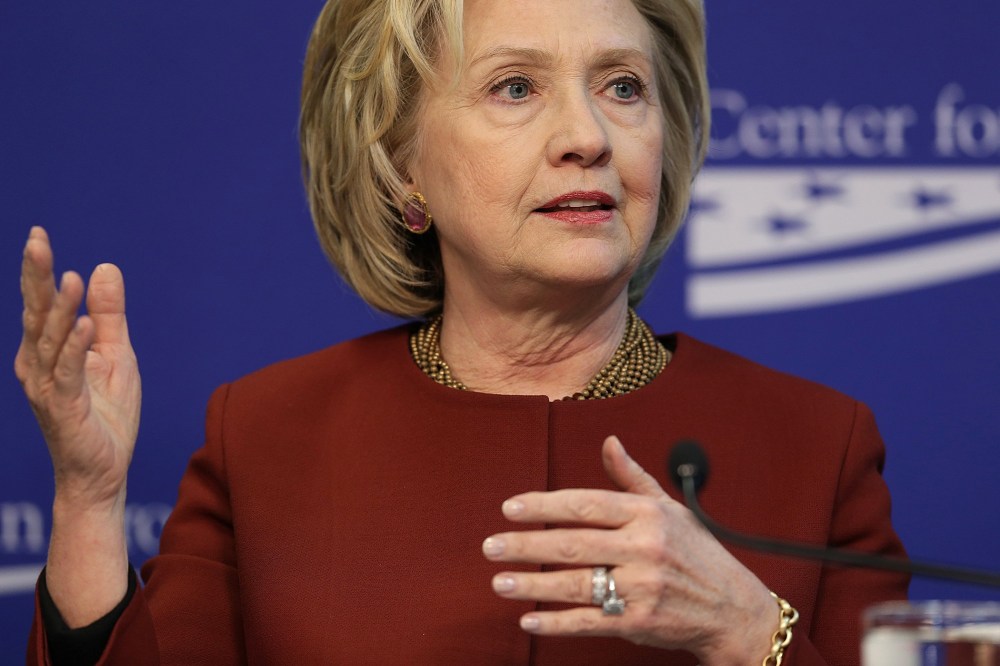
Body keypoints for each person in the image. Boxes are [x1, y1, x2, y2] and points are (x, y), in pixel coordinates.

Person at [16, 0, 908, 663]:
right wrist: (90, 502)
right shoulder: (265, 436)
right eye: (516, 87)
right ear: (402, 166)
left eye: (623, 87)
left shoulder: (816, 445)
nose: (588, 136)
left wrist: (747, 631)